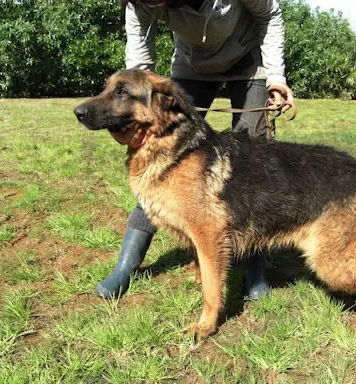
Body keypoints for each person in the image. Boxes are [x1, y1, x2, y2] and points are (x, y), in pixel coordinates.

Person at [96, 0, 295, 300]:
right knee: (159, 163)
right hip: (191, 66)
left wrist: (276, 78)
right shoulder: (141, 3)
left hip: (248, 63)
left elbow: (269, 14)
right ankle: (127, 265)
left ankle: (255, 270)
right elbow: (137, 69)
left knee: (254, 167)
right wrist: (142, 113)